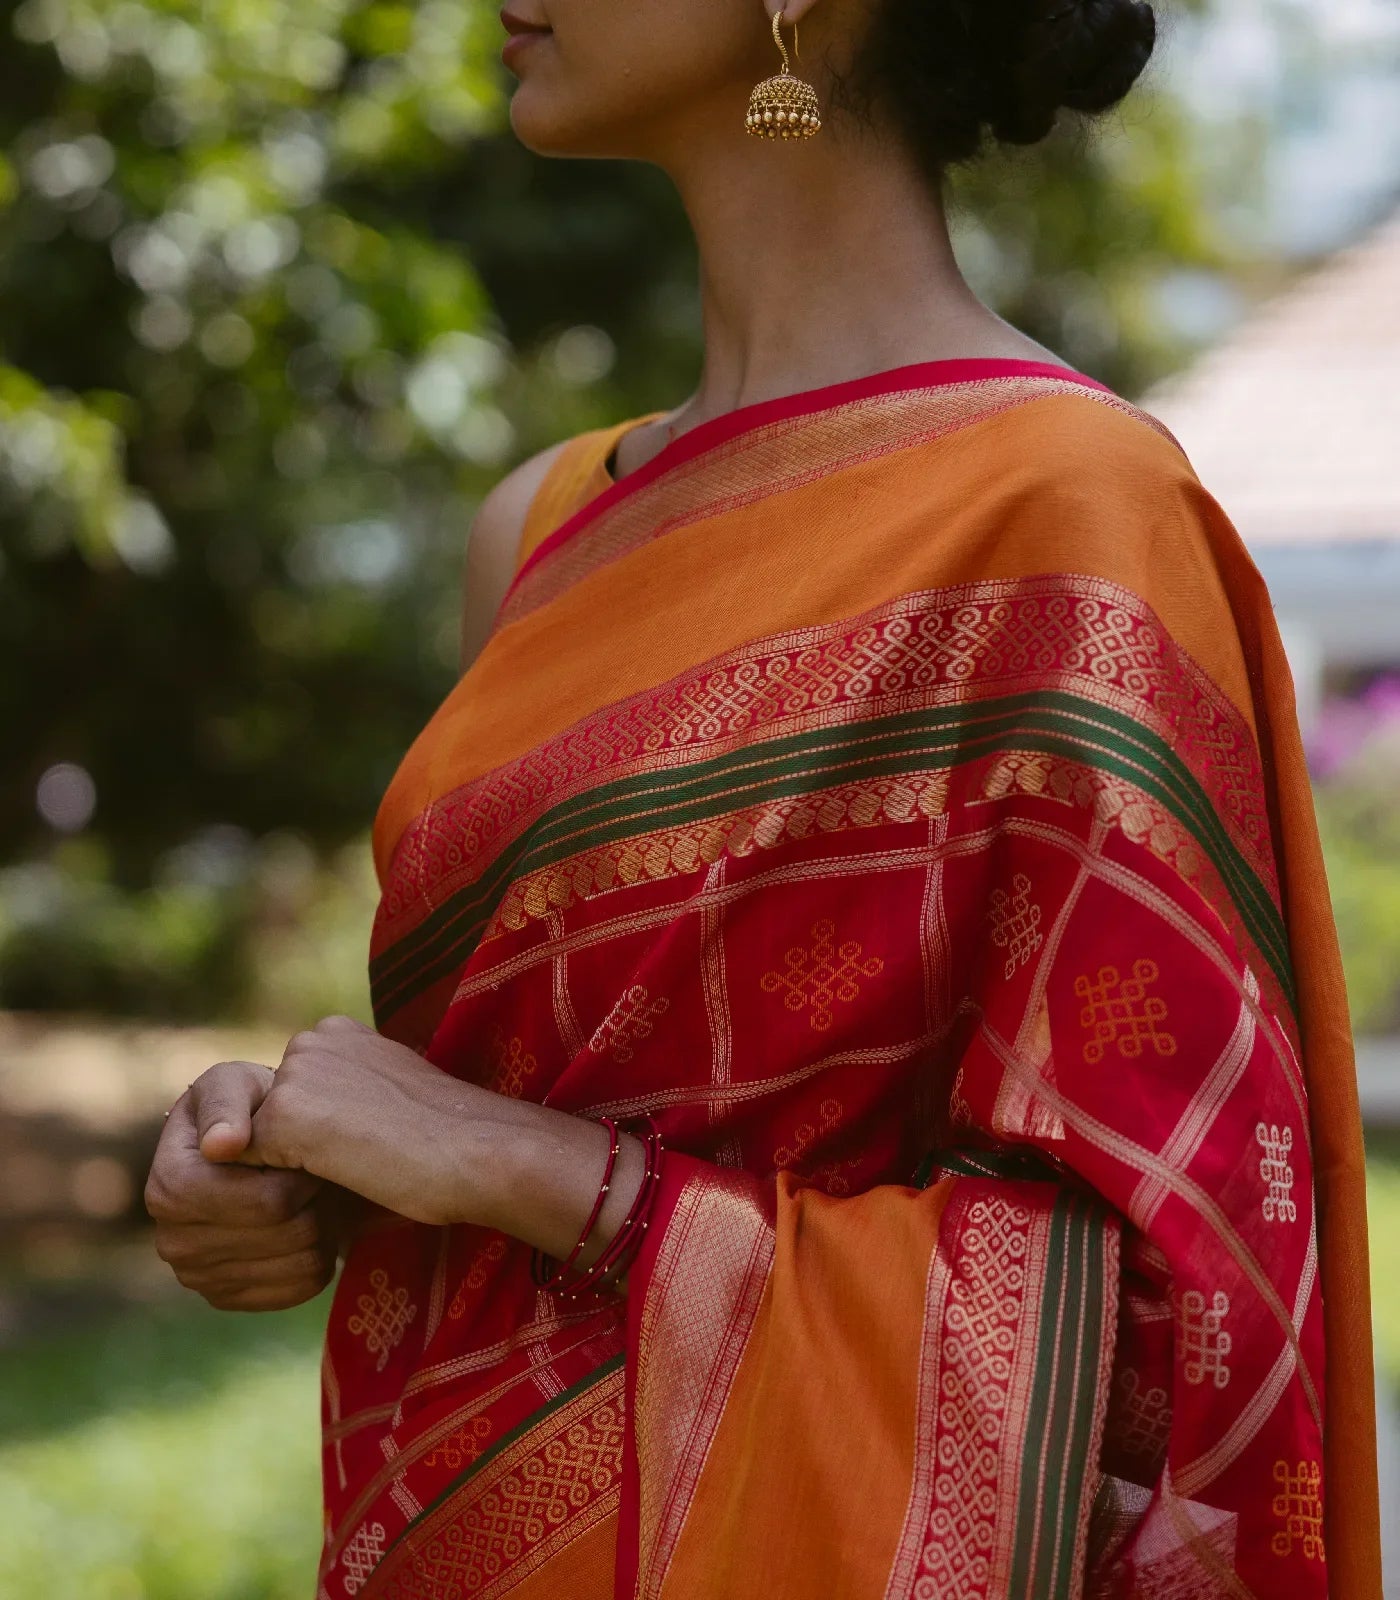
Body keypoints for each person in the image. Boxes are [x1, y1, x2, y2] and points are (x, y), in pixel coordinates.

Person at [144, 0, 1383, 1595]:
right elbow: (499, 1077)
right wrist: (291, 1159)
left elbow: (1178, 1316)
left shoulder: (1073, 520)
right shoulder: (538, 529)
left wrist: (540, 1177)